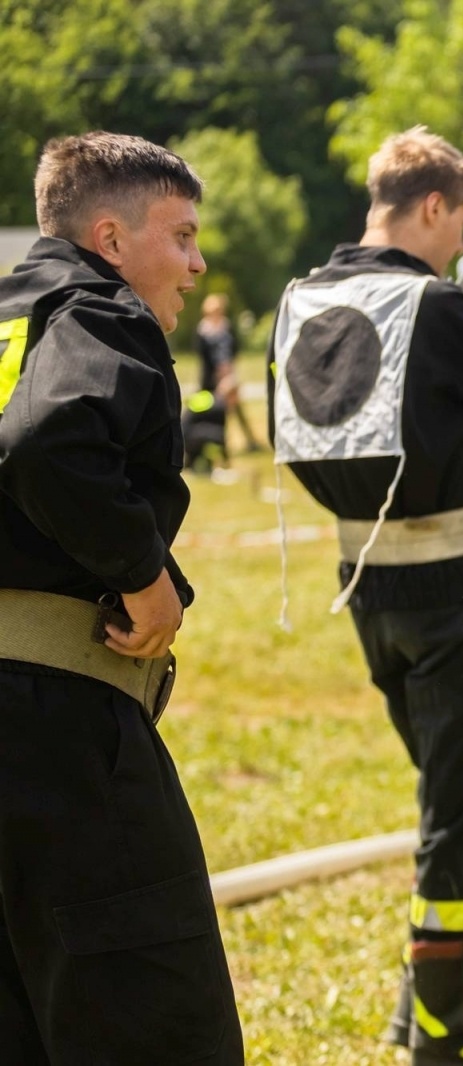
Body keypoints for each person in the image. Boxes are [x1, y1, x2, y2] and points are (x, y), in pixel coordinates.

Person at [268, 127, 463, 1066]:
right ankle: (448, 1036)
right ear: (436, 207)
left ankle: (428, 1011)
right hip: (454, 588)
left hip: (365, 587)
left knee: (449, 802)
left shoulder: (301, 301)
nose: (460, 245)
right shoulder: (432, 306)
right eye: (461, 225)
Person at [0, 132, 244, 1064]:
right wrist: (145, 579)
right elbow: (51, 441)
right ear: (110, 237)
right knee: (153, 1014)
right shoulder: (101, 309)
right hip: (59, 730)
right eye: (180, 235)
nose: (197, 259)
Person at [193, 291, 263, 455]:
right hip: (210, 379)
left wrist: (229, 367)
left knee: (237, 408)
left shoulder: (226, 327)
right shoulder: (203, 330)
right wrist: (216, 373)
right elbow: (202, 355)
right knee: (215, 411)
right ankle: (219, 443)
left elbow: (235, 347)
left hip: (228, 372)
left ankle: (250, 440)